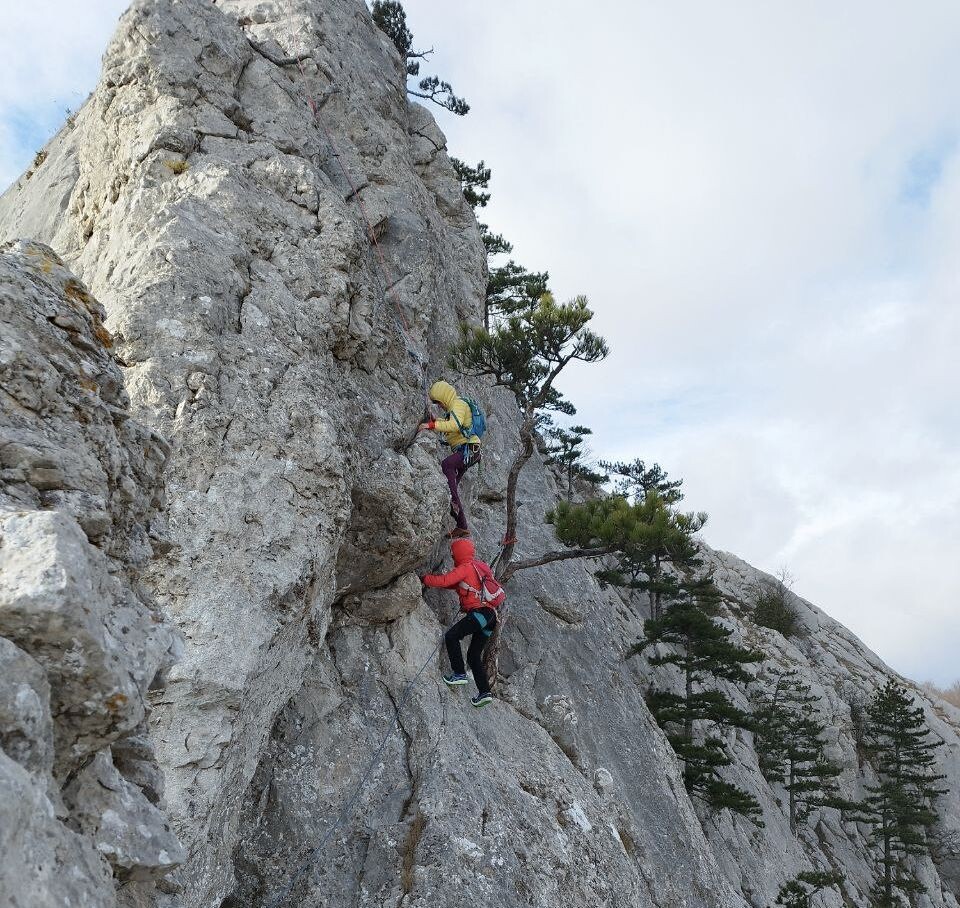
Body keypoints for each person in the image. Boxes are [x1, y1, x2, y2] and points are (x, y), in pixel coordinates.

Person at [422, 537, 504, 708]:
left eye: (453, 555)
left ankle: (459, 673)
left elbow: (445, 580)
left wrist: (425, 579)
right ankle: (484, 692)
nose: (452, 558)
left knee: (452, 636)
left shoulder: (464, 567)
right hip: (490, 618)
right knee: (473, 655)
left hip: (479, 614)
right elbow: (453, 585)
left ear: (458, 553)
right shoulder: (478, 567)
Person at [417, 380, 480, 538]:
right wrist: (435, 421)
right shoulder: (454, 408)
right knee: (450, 488)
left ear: (444, 397)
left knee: (447, 465)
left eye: (439, 402)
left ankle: (456, 507)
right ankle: (462, 525)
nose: (439, 406)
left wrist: (431, 426)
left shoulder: (458, 404)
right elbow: (450, 426)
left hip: (469, 449)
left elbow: (454, 426)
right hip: (467, 450)